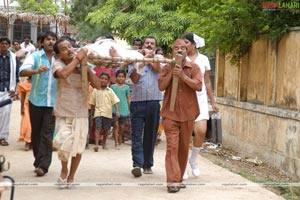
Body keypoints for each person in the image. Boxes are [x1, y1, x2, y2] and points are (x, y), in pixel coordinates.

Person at [51, 38, 103, 189]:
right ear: (59, 55)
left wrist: (85, 67)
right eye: (64, 48)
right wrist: (78, 58)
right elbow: (64, 74)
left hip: (80, 112)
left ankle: (71, 177)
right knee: (63, 144)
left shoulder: (82, 65)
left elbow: (98, 85)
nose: (69, 49)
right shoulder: (58, 64)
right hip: (63, 111)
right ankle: (63, 170)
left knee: (78, 147)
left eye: (70, 46)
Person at [158, 39, 202, 193]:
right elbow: (161, 86)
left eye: (182, 48)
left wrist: (182, 75)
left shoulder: (194, 67)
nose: (179, 50)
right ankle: (172, 181)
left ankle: (179, 177)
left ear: (187, 51)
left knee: (183, 148)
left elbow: (198, 86)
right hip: (170, 114)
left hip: (188, 113)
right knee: (172, 146)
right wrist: (172, 72)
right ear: (172, 51)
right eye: (176, 48)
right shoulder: (166, 67)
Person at [19, 31, 58, 177]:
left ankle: (43, 166)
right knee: (36, 134)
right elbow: (22, 71)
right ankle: (38, 161)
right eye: (48, 39)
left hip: (52, 103)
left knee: (47, 135)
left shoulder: (60, 58)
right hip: (36, 101)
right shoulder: (35, 56)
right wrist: (36, 71)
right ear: (41, 42)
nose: (51, 42)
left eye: (53, 39)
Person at [182, 32, 219, 179]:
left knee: (201, 131)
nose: (184, 45)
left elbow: (207, 82)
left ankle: (193, 160)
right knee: (185, 134)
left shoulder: (204, 59)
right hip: (185, 100)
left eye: (186, 42)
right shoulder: (180, 58)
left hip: (201, 100)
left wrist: (213, 101)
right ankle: (183, 164)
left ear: (193, 44)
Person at [128, 36, 162, 177]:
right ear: (142, 45)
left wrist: (150, 59)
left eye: (152, 43)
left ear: (155, 46)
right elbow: (134, 79)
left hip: (154, 102)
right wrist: (142, 62)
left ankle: (147, 164)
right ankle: (137, 164)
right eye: (147, 43)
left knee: (151, 135)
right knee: (136, 135)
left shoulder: (160, 59)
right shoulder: (134, 59)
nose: (149, 45)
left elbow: (160, 71)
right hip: (137, 102)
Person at [90, 72, 120, 151]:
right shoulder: (95, 90)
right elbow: (92, 103)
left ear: (108, 81)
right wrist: (92, 114)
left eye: (105, 79)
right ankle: (96, 145)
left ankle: (104, 143)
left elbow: (115, 101)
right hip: (98, 112)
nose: (103, 80)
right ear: (99, 79)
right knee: (98, 127)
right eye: (102, 78)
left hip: (107, 113)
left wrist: (117, 111)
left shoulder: (110, 91)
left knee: (106, 129)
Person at [0, 37, 20, 146]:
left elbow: (17, 74)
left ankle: (3, 137)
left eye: (6, 44)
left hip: (8, 90)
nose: (4, 46)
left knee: (6, 113)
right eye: (2, 44)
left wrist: (15, 89)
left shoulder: (13, 57)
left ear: (9, 46)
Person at [110, 70, 131, 148]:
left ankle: (120, 136)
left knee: (122, 126)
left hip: (124, 109)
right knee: (116, 125)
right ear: (116, 77)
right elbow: (110, 98)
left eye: (122, 77)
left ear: (125, 78)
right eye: (119, 76)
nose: (120, 78)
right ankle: (116, 143)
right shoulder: (112, 87)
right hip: (114, 108)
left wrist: (129, 109)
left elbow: (128, 98)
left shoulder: (127, 87)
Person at [17, 76, 32, 151]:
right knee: (27, 124)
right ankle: (27, 141)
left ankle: (32, 142)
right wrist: (22, 107)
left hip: (37, 106)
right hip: (27, 105)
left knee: (35, 124)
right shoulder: (25, 84)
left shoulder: (39, 83)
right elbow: (23, 96)